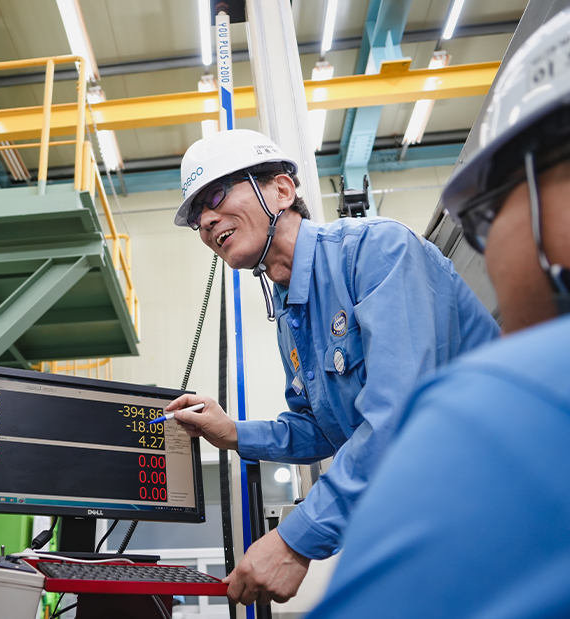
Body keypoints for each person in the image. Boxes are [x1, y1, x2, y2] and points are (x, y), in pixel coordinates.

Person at [308, 1, 570, 616]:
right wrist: (238, 433)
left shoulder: (517, 409)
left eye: (486, 212)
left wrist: (297, 539)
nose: (485, 249)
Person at [165, 129, 501, 606]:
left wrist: (294, 539)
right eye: (196, 216)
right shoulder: (289, 311)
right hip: (427, 522)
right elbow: (323, 429)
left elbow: (398, 419)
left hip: (497, 503)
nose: (206, 221)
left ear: (282, 189)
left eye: (216, 195)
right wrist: (234, 433)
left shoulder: (376, 252)